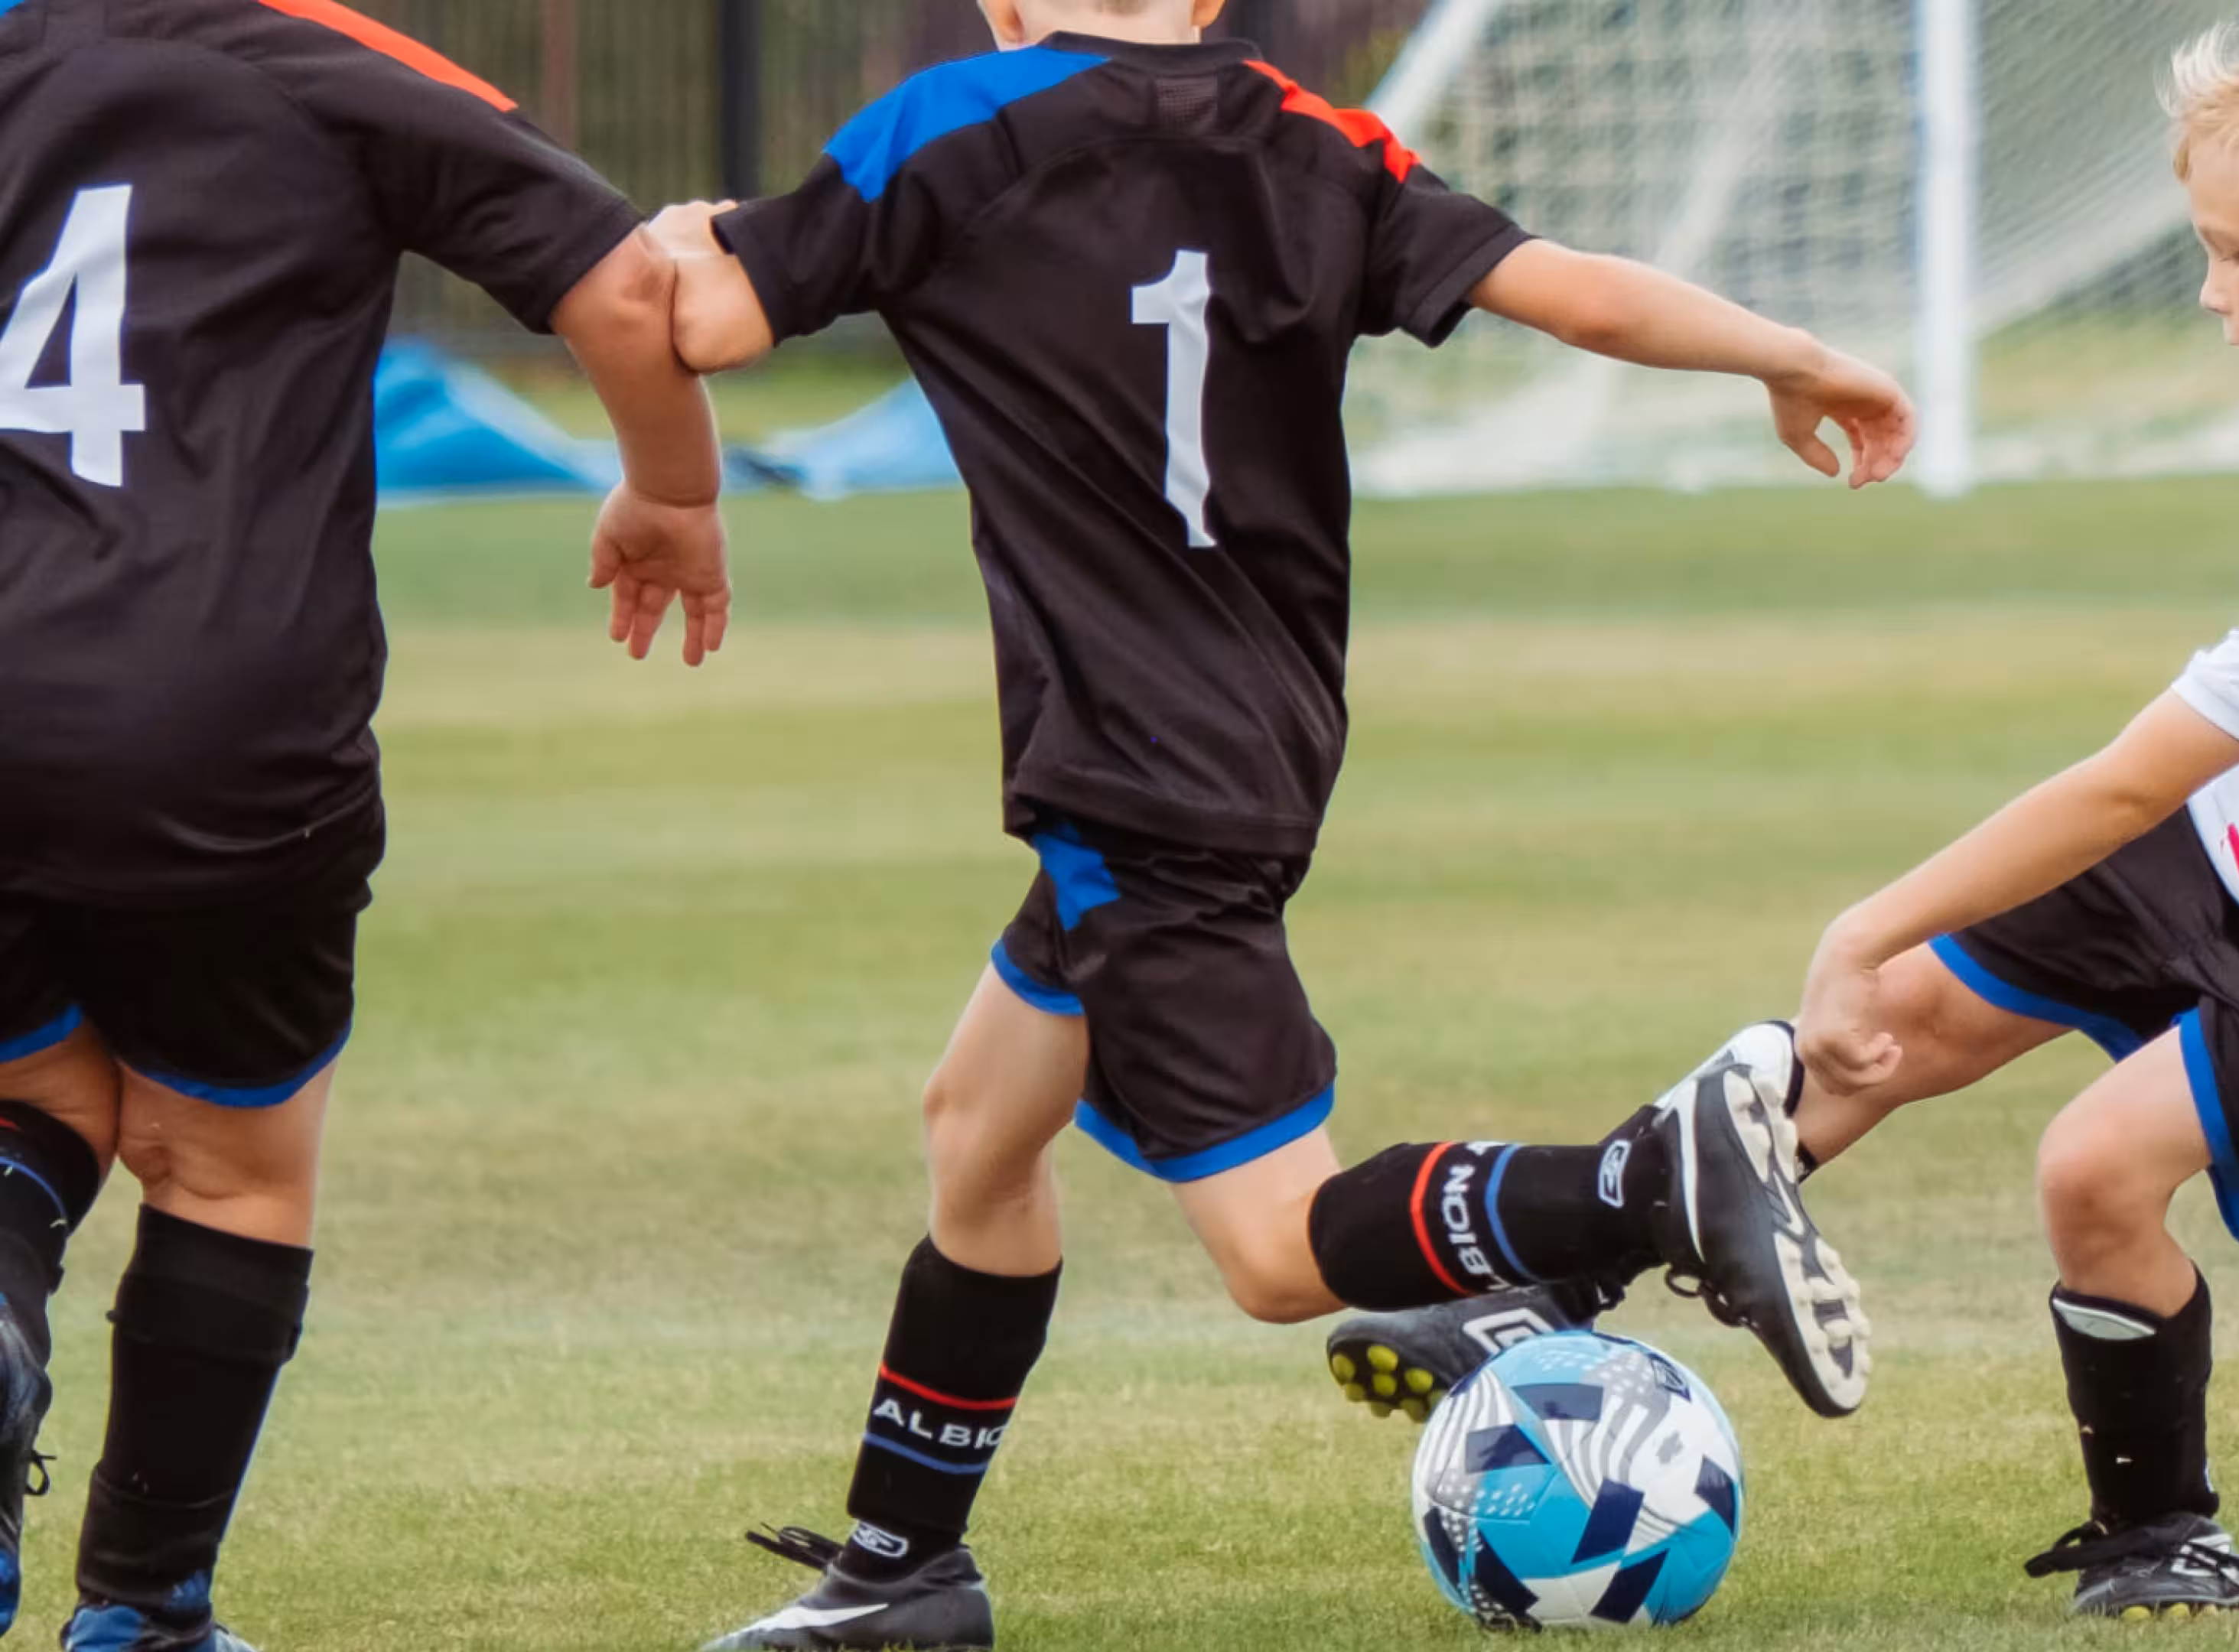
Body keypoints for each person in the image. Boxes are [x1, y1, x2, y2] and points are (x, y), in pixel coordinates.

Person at [1329, 10, 2239, 1622]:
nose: (2210, 290)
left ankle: (2162, 1533)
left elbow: (2126, 782)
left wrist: (1864, 921)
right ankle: (1548, 1287)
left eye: (2231, 252)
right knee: (1897, 1022)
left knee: (2092, 1170)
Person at [649, 0, 1911, 1645]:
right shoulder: (1315, 139)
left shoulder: (950, 127)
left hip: (1128, 769)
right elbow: (1572, 288)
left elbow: (705, 319)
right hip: (1259, 736)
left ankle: (1644, 1182)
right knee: (979, 1129)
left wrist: (683, 237)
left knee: (1274, 1256)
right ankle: (904, 1572)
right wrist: (1789, 353)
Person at [0, 2, 727, 1647]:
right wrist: (675, 493)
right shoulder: (319, 60)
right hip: (220, 708)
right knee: (228, 1162)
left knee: (33, 1099)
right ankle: (143, 1614)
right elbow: (627, 289)